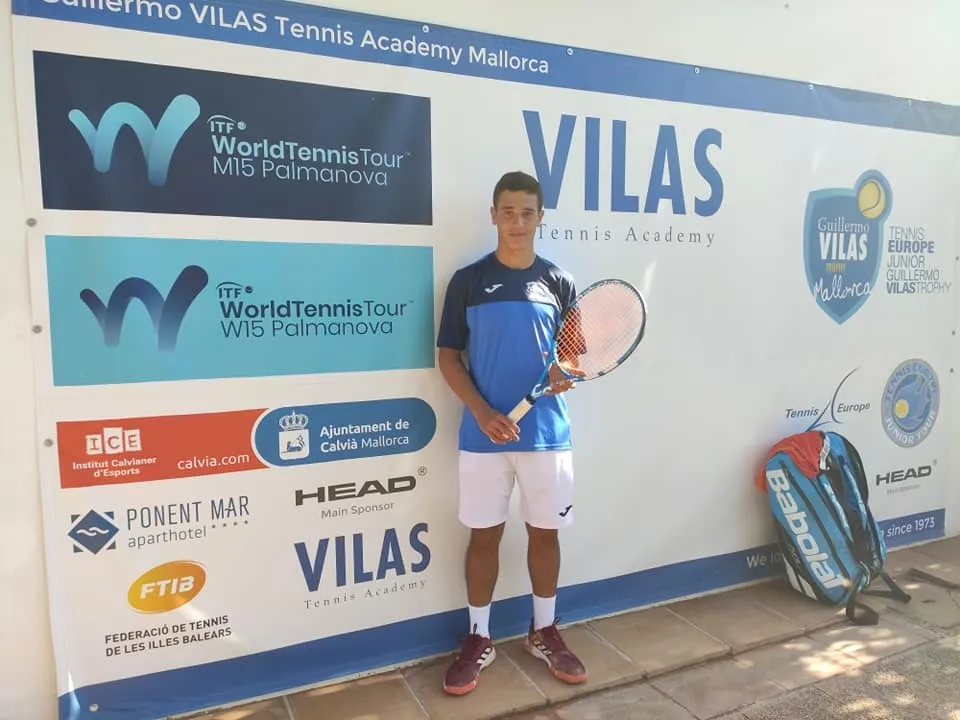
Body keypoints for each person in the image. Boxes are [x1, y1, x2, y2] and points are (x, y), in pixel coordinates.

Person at [435, 170, 587, 696]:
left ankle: (543, 630)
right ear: (493, 214)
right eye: (508, 211)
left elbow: (574, 354)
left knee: (545, 534)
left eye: (527, 212)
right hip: (485, 439)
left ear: (540, 218)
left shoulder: (559, 282)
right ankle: (479, 637)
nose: (517, 221)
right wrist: (480, 411)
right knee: (484, 535)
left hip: (546, 436)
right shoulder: (468, 281)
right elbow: (448, 357)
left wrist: (564, 369)